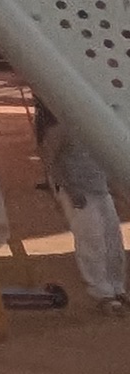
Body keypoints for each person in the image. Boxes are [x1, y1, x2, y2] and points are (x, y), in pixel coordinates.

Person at [34, 102, 128, 311]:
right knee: (91, 241)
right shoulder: (64, 127)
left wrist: (114, 188)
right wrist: (66, 190)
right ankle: (102, 292)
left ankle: (117, 287)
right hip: (77, 190)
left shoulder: (96, 127)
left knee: (112, 239)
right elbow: (49, 159)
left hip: (100, 188)